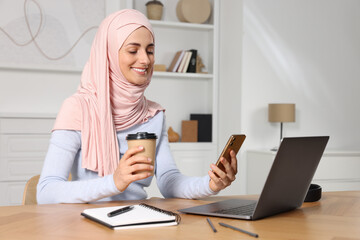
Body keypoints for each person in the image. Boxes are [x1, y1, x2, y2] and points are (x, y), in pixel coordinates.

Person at [37, 9, 238, 204]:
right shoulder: (78, 108)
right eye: (133, 50)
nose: (145, 60)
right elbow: (46, 191)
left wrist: (210, 184)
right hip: (88, 225)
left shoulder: (153, 115)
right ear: (109, 55)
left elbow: (169, 180)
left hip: (138, 219)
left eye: (150, 50)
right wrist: (114, 183)